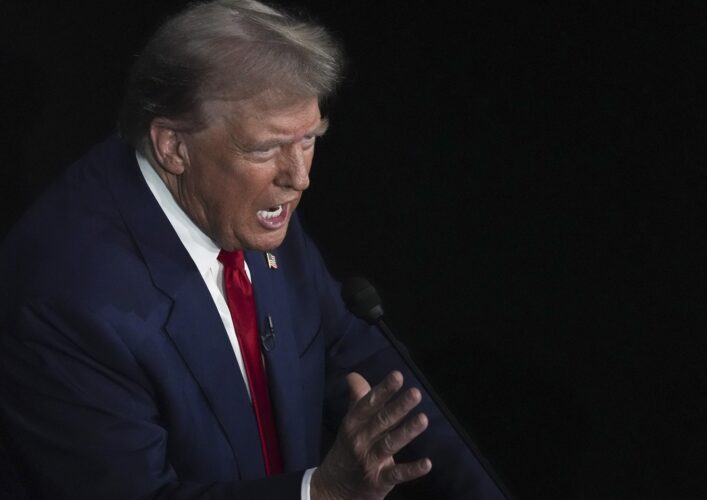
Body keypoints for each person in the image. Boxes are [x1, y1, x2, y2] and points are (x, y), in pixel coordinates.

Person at [0, 1, 507, 498]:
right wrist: (323, 493)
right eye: (266, 149)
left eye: (309, 139)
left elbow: (357, 354)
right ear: (173, 147)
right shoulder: (65, 303)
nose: (299, 178)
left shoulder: (246, 205)